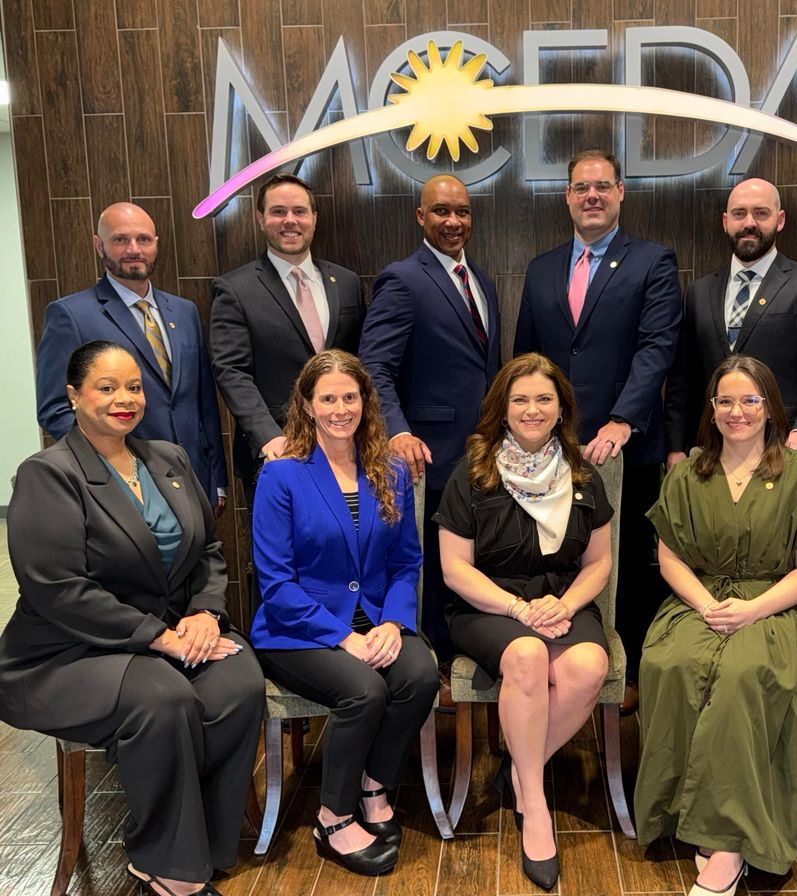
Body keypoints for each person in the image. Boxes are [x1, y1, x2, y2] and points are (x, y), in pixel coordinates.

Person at [0, 341, 263, 896]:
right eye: (107, 387)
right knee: (162, 694)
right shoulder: (48, 474)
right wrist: (162, 638)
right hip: (65, 652)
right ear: (73, 396)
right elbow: (60, 590)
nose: (125, 399)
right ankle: (161, 859)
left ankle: (208, 845)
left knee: (239, 679)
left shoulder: (167, 457)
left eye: (135, 387)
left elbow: (209, 552)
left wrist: (204, 614)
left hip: (171, 635)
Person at [636, 355, 797, 896]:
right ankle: (678, 814)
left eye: (750, 400)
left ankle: (729, 841)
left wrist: (750, 611)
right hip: (698, 601)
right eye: (725, 401)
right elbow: (669, 557)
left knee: (743, 675)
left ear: (771, 408)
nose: (737, 412)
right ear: (711, 409)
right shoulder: (688, 473)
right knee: (671, 664)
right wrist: (708, 606)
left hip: (777, 606)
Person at [250, 350, 439, 876]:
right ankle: (332, 817)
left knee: (421, 674)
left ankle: (374, 784)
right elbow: (276, 583)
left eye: (349, 397)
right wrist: (343, 637)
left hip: (376, 616)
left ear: (365, 402)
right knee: (364, 689)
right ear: (307, 406)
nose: (340, 408)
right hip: (298, 629)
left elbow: (406, 562)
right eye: (327, 398)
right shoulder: (282, 475)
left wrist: (393, 622)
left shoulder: (392, 470)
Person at [435, 353, 613, 892]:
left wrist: (564, 604)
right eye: (520, 400)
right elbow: (453, 568)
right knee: (528, 656)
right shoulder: (472, 471)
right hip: (488, 604)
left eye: (543, 399)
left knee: (589, 666)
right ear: (501, 408)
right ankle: (535, 808)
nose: (532, 409)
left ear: (561, 407)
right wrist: (516, 610)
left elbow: (600, 562)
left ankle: (520, 771)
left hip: (562, 600)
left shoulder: (582, 472)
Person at [514, 149, 681, 712]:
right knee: (549, 549)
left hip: (626, 444)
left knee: (630, 558)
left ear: (620, 193)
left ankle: (625, 669)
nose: (592, 195)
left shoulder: (654, 261)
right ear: (566, 196)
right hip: (549, 446)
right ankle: (553, 654)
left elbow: (658, 348)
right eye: (581, 186)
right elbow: (526, 361)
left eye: (603, 186)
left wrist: (623, 418)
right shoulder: (540, 269)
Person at [359, 174, 501, 674]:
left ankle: (464, 655)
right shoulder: (403, 278)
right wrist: (397, 431)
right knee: (433, 569)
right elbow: (373, 367)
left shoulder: (481, 280)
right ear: (421, 217)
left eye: (462, 211)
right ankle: (431, 670)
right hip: (426, 458)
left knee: (470, 561)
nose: (453, 221)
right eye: (441, 211)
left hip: (480, 454)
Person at [35, 202, 226, 511]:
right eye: (120, 239)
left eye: (143, 239)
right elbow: (55, 409)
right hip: (124, 485)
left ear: (156, 244)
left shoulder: (185, 311)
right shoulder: (70, 315)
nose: (134, 249)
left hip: (194, 478)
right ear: (99, 245)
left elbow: (203, 404)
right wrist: (107, 464)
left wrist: (217, 477)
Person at [664, 178, 797, 466]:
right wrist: (675, 446)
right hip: (710, 448)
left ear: (780, 219)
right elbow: (682, 379)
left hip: (783, 446)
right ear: (726, 221)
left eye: (761, 213)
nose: (749, 223)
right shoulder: (698, 291)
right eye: (739, 214)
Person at [210, 173, 365, 503]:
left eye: (299, 211)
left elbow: (358, 365)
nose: (290, 221)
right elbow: (231, 371)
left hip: (346, 451)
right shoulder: (235, 289)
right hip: (277, 454)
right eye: (278, 211)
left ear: (314, 218)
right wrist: (270, 438)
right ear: (260, 218)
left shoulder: (347, 283)